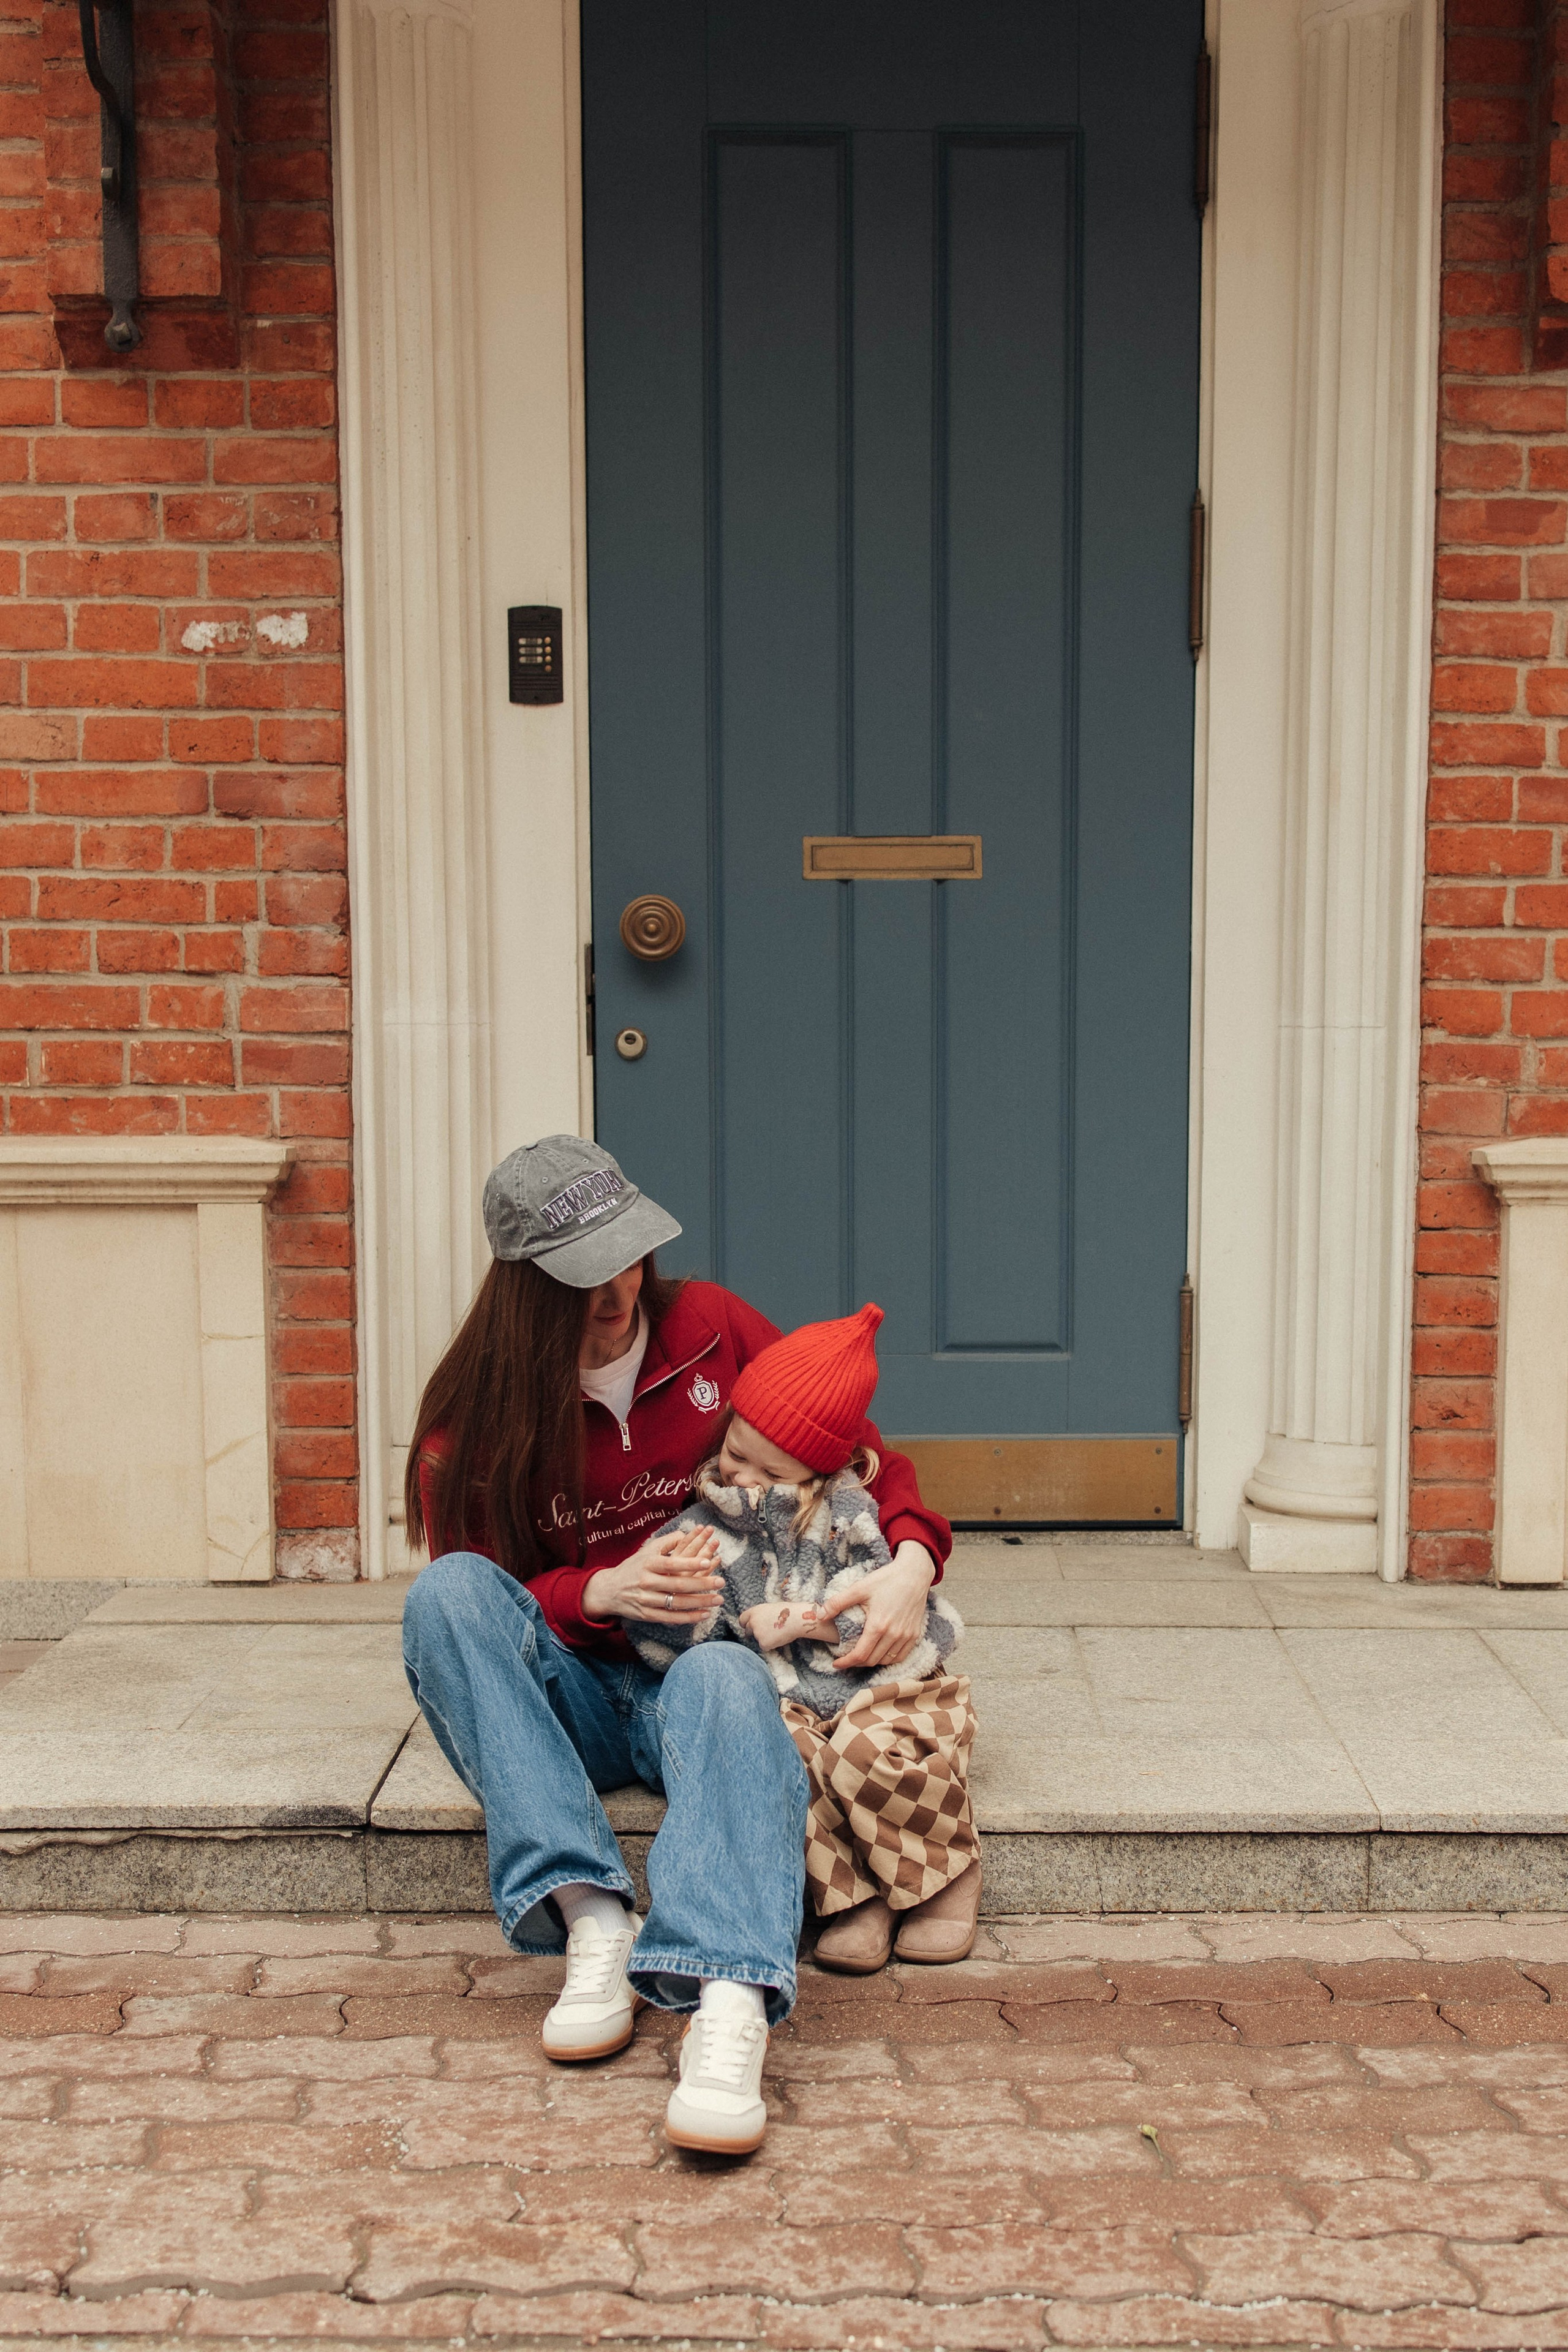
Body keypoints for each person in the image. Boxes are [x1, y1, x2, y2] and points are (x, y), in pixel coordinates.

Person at [399, 1133, 953, 2157]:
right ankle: (590, 1919)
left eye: (629, 1256)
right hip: (571, 1694)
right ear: (523, 1287)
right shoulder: (469, 1419)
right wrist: (600, 1590)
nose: (617, 1292)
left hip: (700, 1684)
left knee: (726, 1669)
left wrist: (913, 1561)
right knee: (442, 1597)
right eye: (583, 1277)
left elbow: (855, 1454)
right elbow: (486, 1601)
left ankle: (730, 2005)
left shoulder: (712, 1328)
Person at [622, 1303, 979, 1978]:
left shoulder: (849, 1514)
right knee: (776, 1752)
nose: (744, 1479)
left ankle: (941, 1870)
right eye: (734, 1454)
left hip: (872, 1677)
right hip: (783, 1689)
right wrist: (690, 1611)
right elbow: (671, 1643)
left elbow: (883, 1605)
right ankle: (852, 1895)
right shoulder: (702, 1526)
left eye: (773, 1473)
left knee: (870, 1749)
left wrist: (812, 1621)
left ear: (818, 1473)